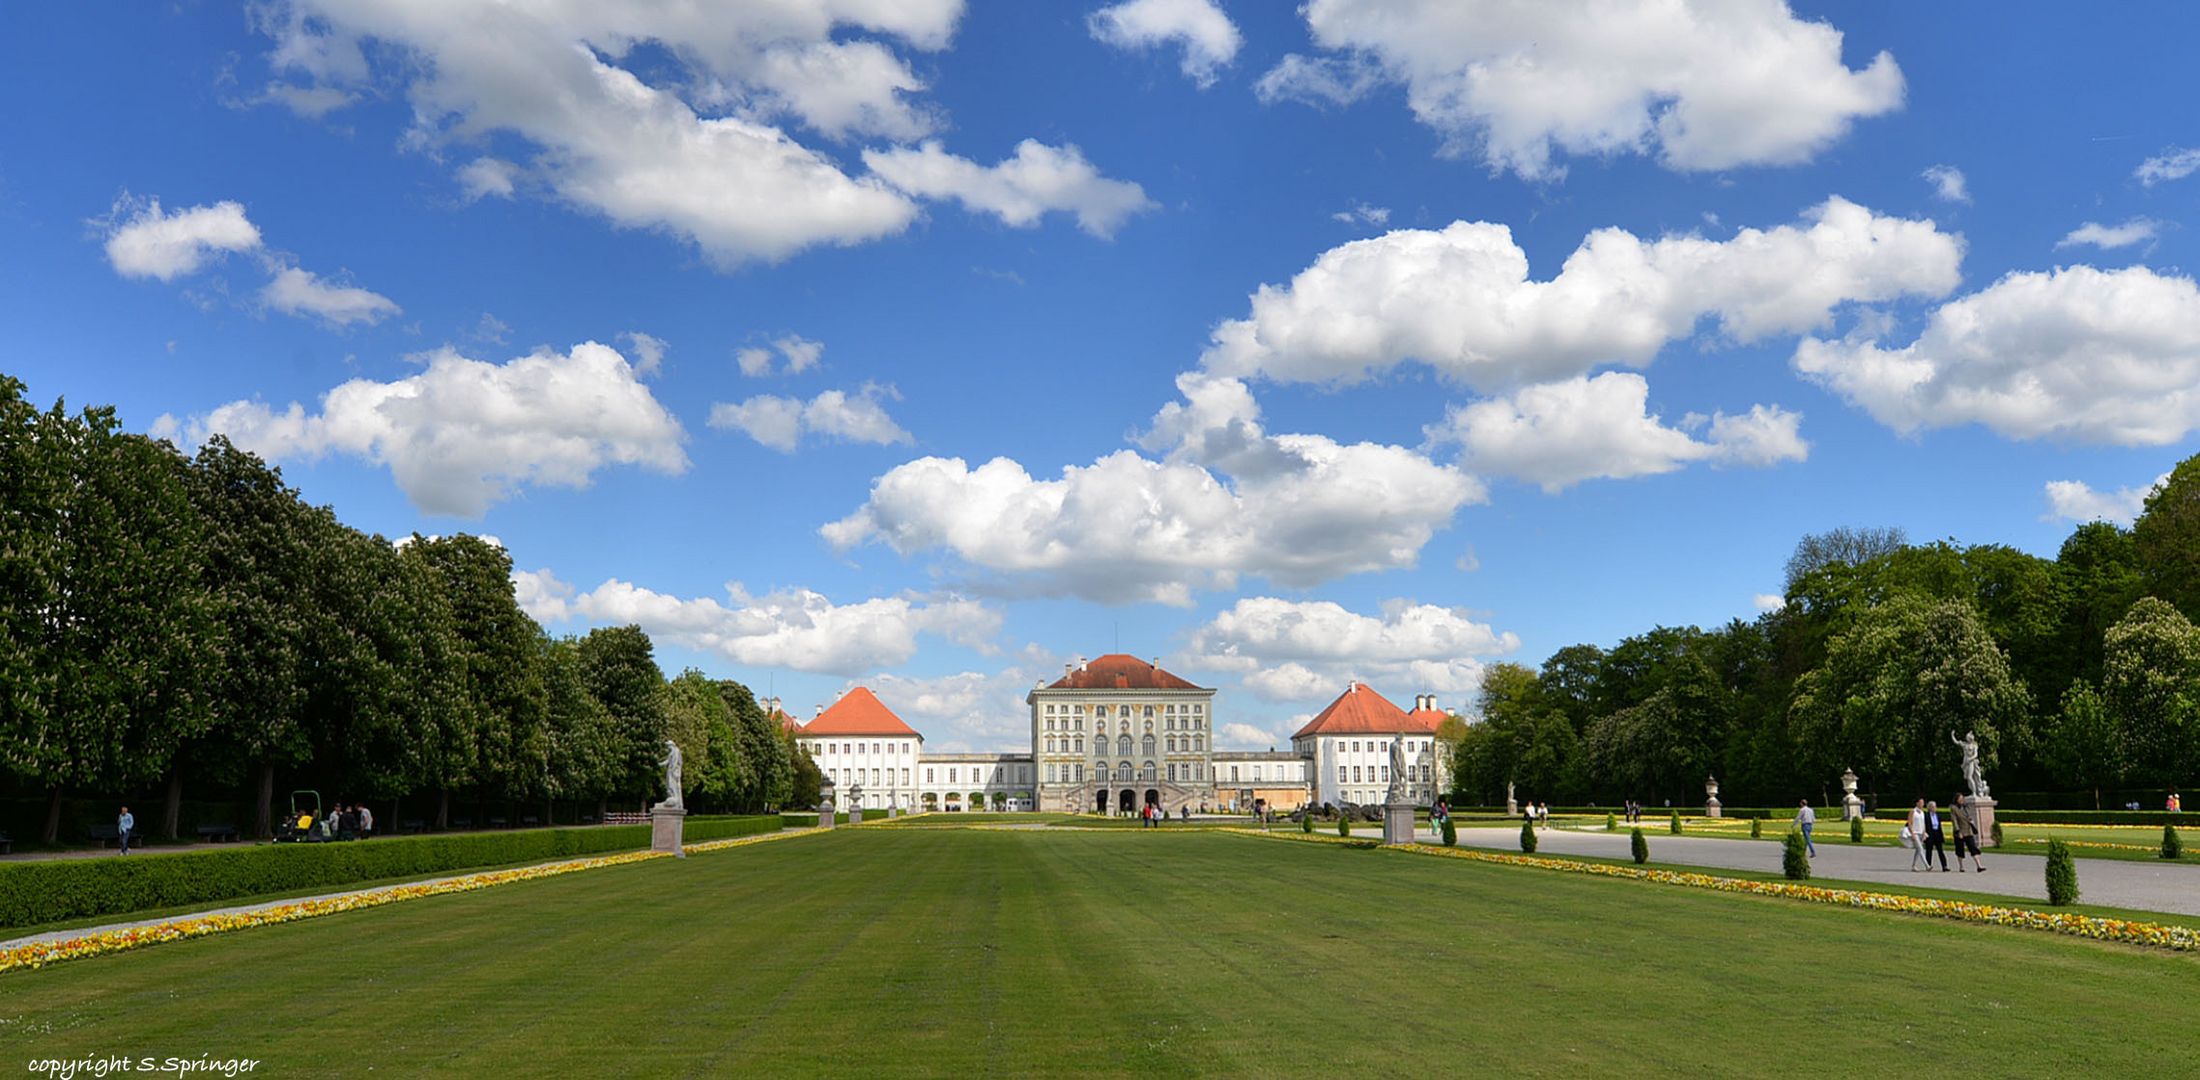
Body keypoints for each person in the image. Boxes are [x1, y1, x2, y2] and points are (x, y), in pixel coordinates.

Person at [1950, 794, 1986, 873]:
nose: (1962, 800)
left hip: (1968, 831)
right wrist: (1958, 831)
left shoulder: (1966, 807)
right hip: (1960, 831)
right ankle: (1961, 866)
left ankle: (1979, 865)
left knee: (1973, 847)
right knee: (1960, 849)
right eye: (1960, 799)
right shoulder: (1954, 808)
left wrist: (1971, 821)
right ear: (1956, 800)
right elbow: (1954, 820)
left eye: (1962, 798)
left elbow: (1969, 816)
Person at [1922, 800, 1949, 871]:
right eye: (1933, 807)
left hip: (1937, 833)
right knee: (1929, 851)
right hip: (1930, 834)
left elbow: (1939, 826)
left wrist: (1941, 836)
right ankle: (1928, 865)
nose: (1935, 808)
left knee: (1940, 850)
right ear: (1929, 808)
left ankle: (1944, 866)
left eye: (1935, 807)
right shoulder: (1926, 815)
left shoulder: (1937, 815)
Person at [1907, 799, 1929, 872]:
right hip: (1915, 832)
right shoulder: (1913, 811)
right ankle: (1927, 865)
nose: (1922, 804)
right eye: (1920, 802)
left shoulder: (1922, 812)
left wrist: (1924, 833)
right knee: (1920, 848)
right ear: (1917, 803)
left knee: (1918, 850)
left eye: (1923, 803)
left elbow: (1923, 824)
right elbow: (1909, 822)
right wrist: (1912, 832)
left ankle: (1914, 865)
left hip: (1921, 832)